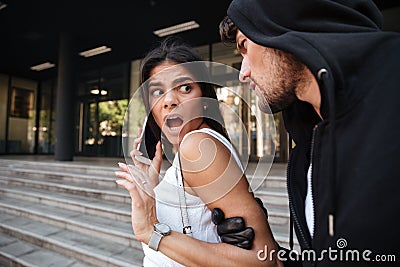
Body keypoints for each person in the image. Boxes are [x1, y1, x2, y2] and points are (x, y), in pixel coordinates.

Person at [215, 0, 400, 266]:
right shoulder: (310, 148)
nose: (242, 73)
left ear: (286, 26)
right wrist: (271, 253)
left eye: (245, 45)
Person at [115, 36, 282, 267]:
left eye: (185, 88)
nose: (170, 101)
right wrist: (153, 190)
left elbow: (263, 260)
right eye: (156, 91)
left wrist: (152, 232)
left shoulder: (198, 147)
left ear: (205, 98)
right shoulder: (191, 149)